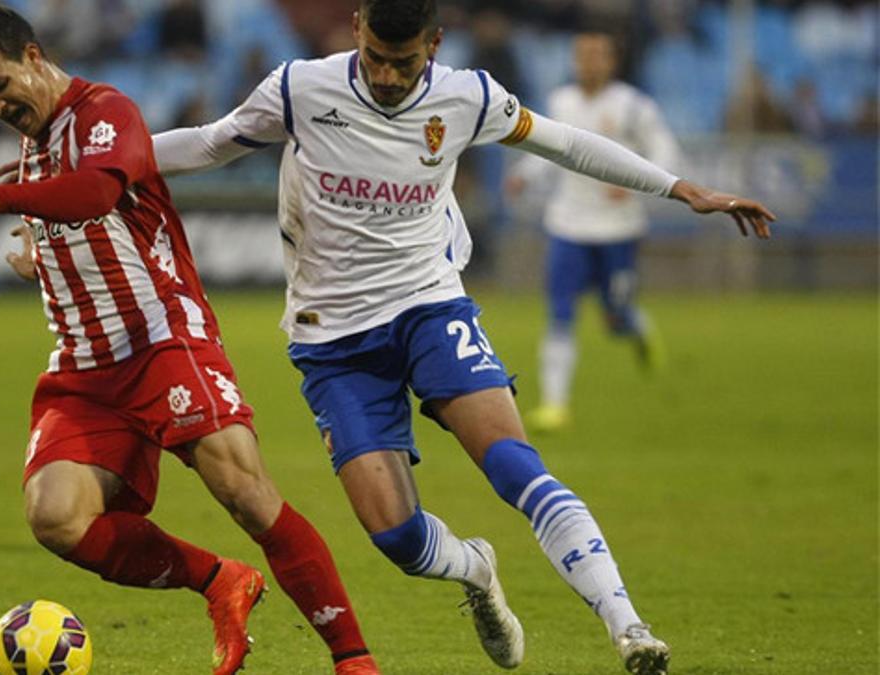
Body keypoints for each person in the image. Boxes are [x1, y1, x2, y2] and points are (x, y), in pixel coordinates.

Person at [150, 1, 774, 673]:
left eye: (407, 62)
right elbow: (210, 142)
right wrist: (86, 164)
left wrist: (681, 188)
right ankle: (476, 568)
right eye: (377, 60)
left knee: (514, 464)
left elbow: (563, 142)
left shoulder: (468, 96)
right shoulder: (302, 88)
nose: (389, 78)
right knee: (394, 533)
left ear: (436, 44)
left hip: (429, 305)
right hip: (331, 338)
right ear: (356, 27)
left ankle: (629, 626)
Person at [0, 6, 378, 675]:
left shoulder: (106, 114)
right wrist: (42, 254)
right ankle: (220, 580)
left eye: (0, 84)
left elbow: (97, 191)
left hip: (162, 342)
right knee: (56, 516)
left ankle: (354, 660)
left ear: (32, 55)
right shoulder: (33, 148)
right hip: (85, 368)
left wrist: (5, 204)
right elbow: (81, 224)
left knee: (247, 493)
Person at [505, 31, 682, 432]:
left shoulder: (634, 107)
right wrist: (524, 175)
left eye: (597, 55)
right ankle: (555, 405)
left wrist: (637, 183)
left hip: (619, 229)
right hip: (567, 224)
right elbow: (549, 150)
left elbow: (666, 151)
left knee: (614, 316)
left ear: (611, 61)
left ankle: (636, 327)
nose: (588, 61)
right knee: (560, 314)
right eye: (582, 54)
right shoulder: (560, 101)